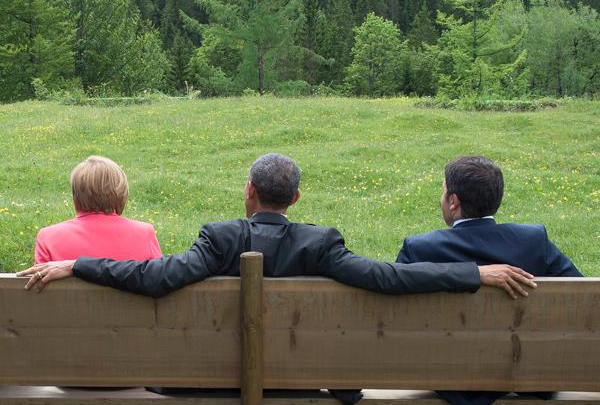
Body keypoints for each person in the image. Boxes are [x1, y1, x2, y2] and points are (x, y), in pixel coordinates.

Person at [19, 153, 535, 405]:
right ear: (295, 199)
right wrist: (475, 273)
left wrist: (76, 265)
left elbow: (156, 277)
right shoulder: (320, 243)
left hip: (208, 386)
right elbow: (386, 279)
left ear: (248, 192)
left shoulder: (219, 239)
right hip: (300, 380)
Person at [396, 155, 582, 405]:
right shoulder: (533, 240)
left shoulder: (420, 248)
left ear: (453, 201)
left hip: (447, 379)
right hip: (526, 378)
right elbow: (581, 295)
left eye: (443, 191)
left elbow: (391, 307)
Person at [35, 155, 162, 263]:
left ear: (76, 195)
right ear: (121, 193)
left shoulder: (48, 237)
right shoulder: (145, 234)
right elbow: (157, 281)